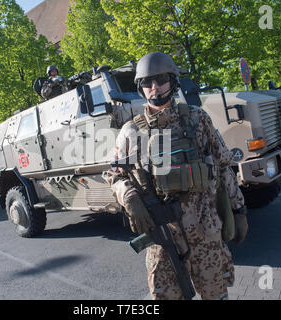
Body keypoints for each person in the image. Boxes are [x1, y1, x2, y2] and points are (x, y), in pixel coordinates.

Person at [104, 52, 247, 300]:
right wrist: (129, 197)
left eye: (160, 79)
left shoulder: (197, 119)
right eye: (147, 83)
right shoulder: (131, 131)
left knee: (216, 295)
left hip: (205, 231)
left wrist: (239, 209)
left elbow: (224, 165)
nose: (154, 87)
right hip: (163, 238)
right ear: (140, 88)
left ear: (172, 80)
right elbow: (113, 173)